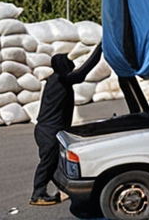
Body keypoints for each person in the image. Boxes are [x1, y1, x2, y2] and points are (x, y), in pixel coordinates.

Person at [30, 43, 103, 206]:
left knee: (56, 161)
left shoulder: (56, 79)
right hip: (48, 131)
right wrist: (100, 49)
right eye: (68, 63)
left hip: (49, 129)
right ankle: (37, 194)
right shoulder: (62, 80)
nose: (72, 65)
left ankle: (62, 190)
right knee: (48, 163)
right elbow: (83, 73)